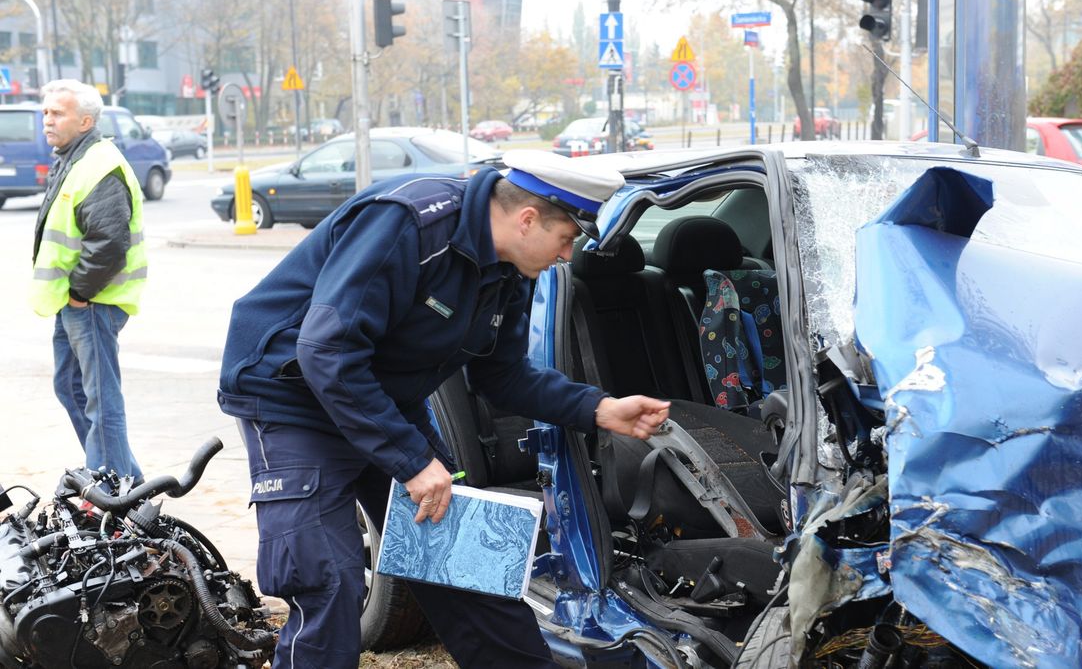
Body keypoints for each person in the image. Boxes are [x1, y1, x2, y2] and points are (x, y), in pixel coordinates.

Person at [217, 149, 671, 668]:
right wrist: (411, 461)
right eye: (567, 239)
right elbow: (327, 351)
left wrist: (599, 408)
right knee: (328, 581)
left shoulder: (510, 268)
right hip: (291, 397)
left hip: (381, 396)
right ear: (527, 220)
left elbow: (503, 375)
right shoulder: (408, 223)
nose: (568, 256)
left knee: (467, 564)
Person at [30, 79, 147, 481]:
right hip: (73, 302)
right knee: (70, 388)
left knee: (101, 401)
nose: (47, 120)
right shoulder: (72, 158)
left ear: (84, 121)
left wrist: (80, 293)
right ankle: (126, 480)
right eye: (45, 112)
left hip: (94, 303)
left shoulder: (99, 165)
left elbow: (110, 241)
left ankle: (113, 488)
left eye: (56, 113)